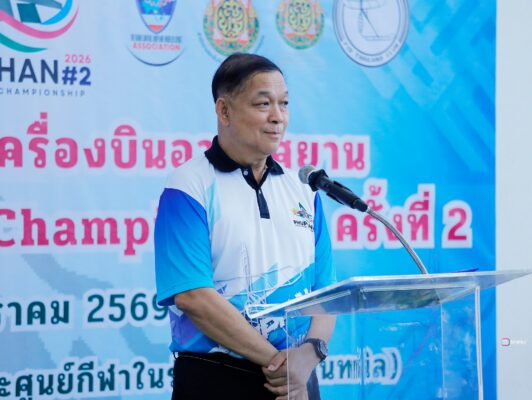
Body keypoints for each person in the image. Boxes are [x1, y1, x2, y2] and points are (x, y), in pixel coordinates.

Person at [154, 53, 336, 400]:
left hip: (299, 379)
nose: (278, 117)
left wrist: (310, 355)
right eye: (263, 104)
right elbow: (194, 297)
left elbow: (327, 293)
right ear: (224, 111)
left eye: (284, 103)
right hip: (219, 379)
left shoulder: (304, 188)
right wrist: (281, 366)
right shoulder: (189, 185)